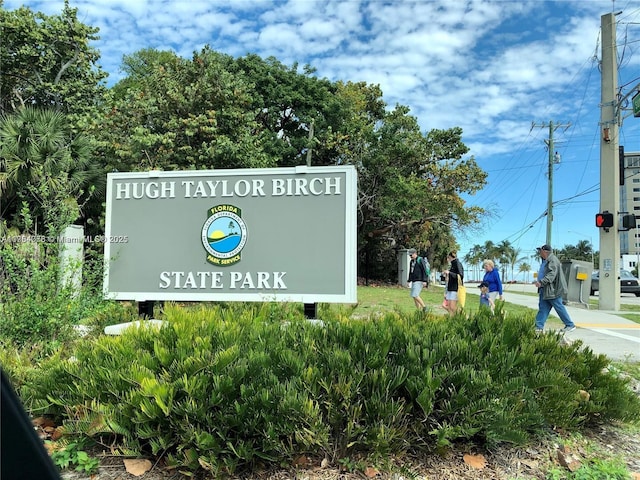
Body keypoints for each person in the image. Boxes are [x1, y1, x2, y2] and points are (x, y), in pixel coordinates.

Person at [533, 244, 576, 334]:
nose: (539, 253)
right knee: (543, 308)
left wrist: (541, 282)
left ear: (545, 251)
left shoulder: (552, 260)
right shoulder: (545, 260)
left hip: (553, 290)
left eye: (540, 251)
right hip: (545, 290)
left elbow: (551, 274)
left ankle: (570, 324)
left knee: (559, 307)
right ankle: (538, 327)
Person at [443, 251, 464, 315]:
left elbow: (460, 276)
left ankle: (463, 316)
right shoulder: (452, 264)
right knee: (449, 306)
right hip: (450, 287)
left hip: (455, 288)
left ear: (450, 257)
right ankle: (452, 319)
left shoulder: (457, 263)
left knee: (452, 306)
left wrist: (450, 273)